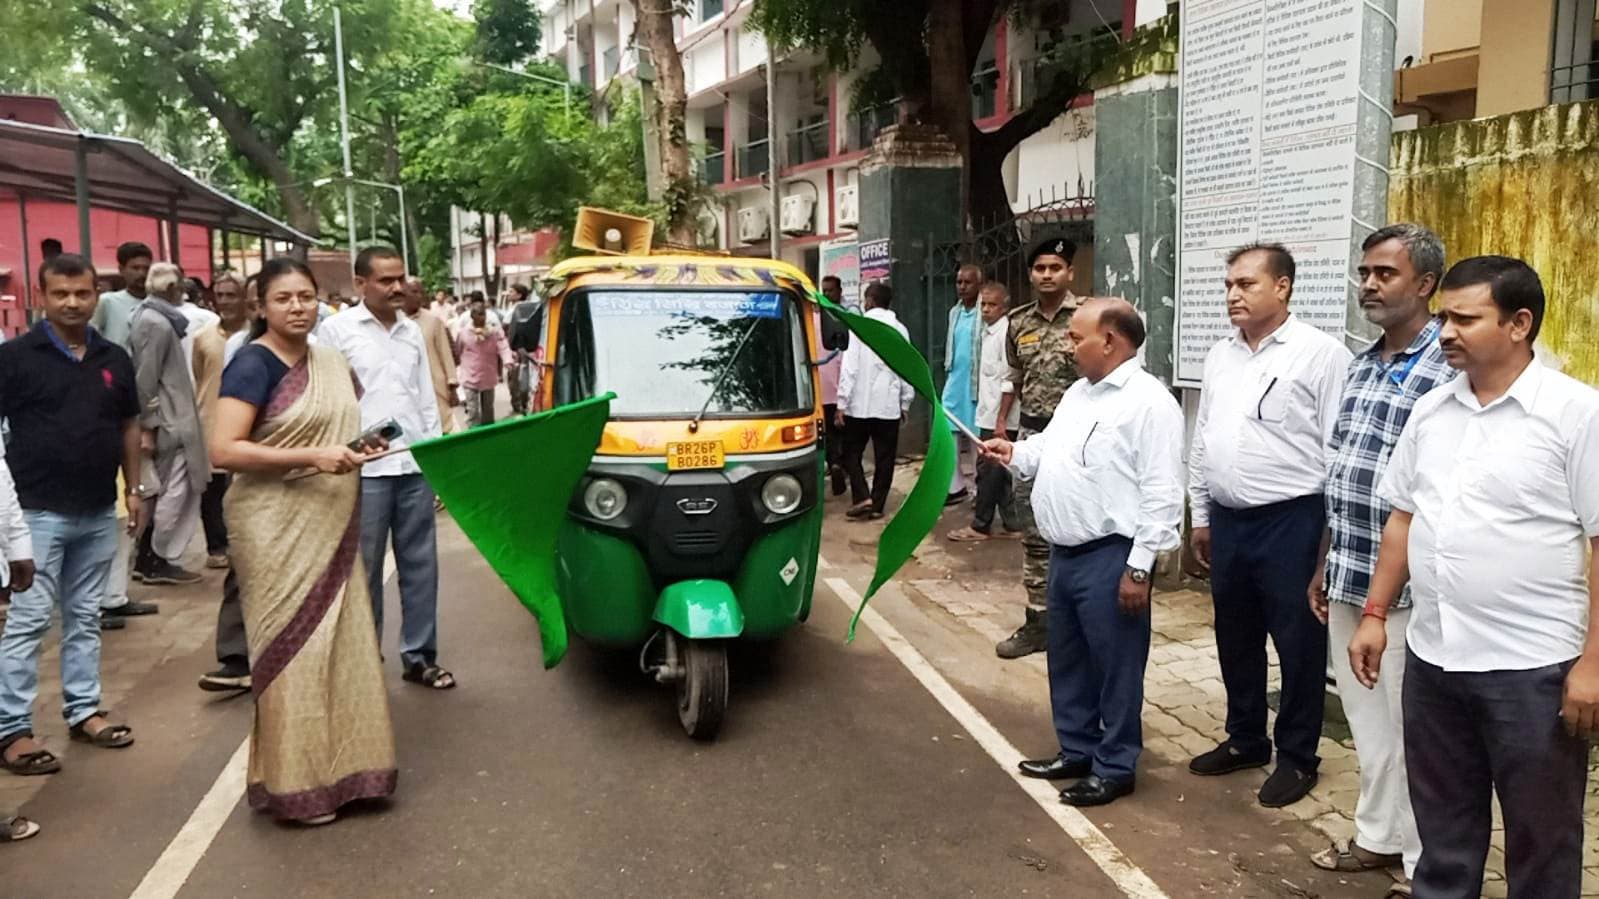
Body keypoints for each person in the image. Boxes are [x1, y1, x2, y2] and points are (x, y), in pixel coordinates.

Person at [1349, 256, 1599, 898]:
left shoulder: (1576, 414)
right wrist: (1375, 614)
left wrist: (1593, 664)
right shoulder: (1433, 410)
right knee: (1443, 835)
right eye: (1444, 318)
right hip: (1434, 659)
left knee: (1542, 840)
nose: (1446, 333)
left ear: (1519, 323)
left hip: (1532, 669)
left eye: (1465, 319)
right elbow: (1404, 516)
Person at [209, 257, 397, 826]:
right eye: (284, 298)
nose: (297, 307)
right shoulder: (252, 363)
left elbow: (336, 429)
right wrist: (313, 455)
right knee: (294, 650)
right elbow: (224, 450)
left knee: (343, 643)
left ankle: (352, 773)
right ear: (261, 306)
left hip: (330, 518)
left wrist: (354, 450)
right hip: (272, 527)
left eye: (306, 297)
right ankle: (298, 785)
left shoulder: (330, 360)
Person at [988, 298, 1183, 807]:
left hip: (1111, 555)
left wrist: (1139, 568)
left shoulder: (1150, 403)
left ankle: (1115, 766)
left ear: (1111, 341)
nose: (1068, 347)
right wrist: (1014, 452)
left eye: (1076, 338)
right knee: (1068, 658)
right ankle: (1077, 749)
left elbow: (1162, 492)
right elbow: (1049, 449)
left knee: (1116, 665)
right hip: (1066, 553)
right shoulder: (1079, 393)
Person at [1308, 224, 1453, 883]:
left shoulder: (1446, 368)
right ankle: (1378, 836)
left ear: (1424, 284)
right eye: (1364, 272)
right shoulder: (1361, 364)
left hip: (1408, 586)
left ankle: (1427, 867)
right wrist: (1325, 560)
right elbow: (1341, 471)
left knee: (1414, 729)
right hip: (1349, 569)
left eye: (1384, 273)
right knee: (1368, 723)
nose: (1367, 284)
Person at [1187, 243, 1352, 809]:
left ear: (1282, 287)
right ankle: (1246, 738)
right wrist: (1202, 515)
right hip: (1229, 521)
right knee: (1235, 634)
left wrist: (1329, 543)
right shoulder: (1221, 355)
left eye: (1246, 284)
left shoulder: (1321, 355)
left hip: (1293, 521)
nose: (1233, 295)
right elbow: (1204, 437)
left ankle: (1298, 756)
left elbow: (1337, 452)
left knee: (1298, 641)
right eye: (1229, 285)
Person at [0, 253, 146, 776]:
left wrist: (134, 489)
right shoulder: (15, 357)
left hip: (98, 509)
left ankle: (84, 710)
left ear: (95, 296)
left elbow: (129, 424)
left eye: (82, 293)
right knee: (29, 622)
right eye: (60, 294)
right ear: (41, 296)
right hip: (34, 513)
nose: (72, 303)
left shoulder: (113, 357)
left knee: (85, 617)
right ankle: (12, 729)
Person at [318, 247, 454, 690]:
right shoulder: (336, 331)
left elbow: (424, 397)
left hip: (413, 465)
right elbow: (327, 398)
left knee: (421, 566)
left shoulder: (411, 330)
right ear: (360, 284)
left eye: (400, 278)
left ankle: (420, 657)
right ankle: (365, 663)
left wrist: (433, 455)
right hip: (365, 470)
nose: (397, 287)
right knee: (364, 571)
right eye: (385, 280)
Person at [992, 239, 1081, 659]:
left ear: (1070, 273)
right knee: (1033, 531)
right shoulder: (1016, 323)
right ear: (1030, 274)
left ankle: (1075, 620)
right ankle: (1039, 622)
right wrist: (1002, 421)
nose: (1047, 274)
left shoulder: (1088, 318)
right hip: (1031, 434)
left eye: (1056, 267)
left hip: (1078, 440)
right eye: (1040, 268)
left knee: (1077, 528)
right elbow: (1014, 375)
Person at [129, 263, 208, 586]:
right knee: (171, 493)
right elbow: (144, 380)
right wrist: (148, 427)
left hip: (174, 417)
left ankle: (154, 557)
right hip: (170, 422)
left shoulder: (159, 319)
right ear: (172, 289)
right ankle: (153, 557)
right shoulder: (155, 323)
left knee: (175, 490)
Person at [948, 282, 1021, 542]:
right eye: (984, 305)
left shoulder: (1004, 335)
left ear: (1004, 307)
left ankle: (980, 525)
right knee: (999, 472)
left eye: (992, 305)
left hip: (999, 418)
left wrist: (1001, 421)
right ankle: (1013, 524)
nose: (986, 309)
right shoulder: (987, 333)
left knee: (987, 471)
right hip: (988, 412)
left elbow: (1010, 381)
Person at [835, 282, 914, 521]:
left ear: (869, 300)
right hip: (888, 407)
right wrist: (905, 402)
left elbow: (849, 368)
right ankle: (877, 505)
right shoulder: (900, 330)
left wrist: (842, 402)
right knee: (885, 458)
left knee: (850, 453)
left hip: (858, 407)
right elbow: (907, 367)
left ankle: (862, 496)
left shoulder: (859, 328)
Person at [193, 273, 249, 570]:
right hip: (211, 419)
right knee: (212, 487)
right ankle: (216, 547)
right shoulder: (203, 337)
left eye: (231, 295)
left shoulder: (256, 337)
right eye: (220, 295)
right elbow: (199, 375)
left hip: (246, 423)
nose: (225, 301)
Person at [941, 264, 984, 505]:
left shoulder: (984, 312)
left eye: (968, 282)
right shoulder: (954, 312)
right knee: (949, 432)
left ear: (979, 285)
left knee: (977, 438)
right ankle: (955, 487)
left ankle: (979, 490)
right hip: (955, 381)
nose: (962, 287)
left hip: (977, 383)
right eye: (959, 282)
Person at [403, 279, 460, 434]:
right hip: (407, 389)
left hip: (436, 388)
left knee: (444, 429)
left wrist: (452, 386)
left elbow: (445, 355)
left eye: (421, 292)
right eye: (414, 292)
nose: (419, 296)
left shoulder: (433, 321)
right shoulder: (394, 322)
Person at [454, 295, 512, 428]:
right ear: (472, 316)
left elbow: (503, 346)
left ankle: (488, 432)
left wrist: (508, 360)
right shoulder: (464, 333)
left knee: (488, 410)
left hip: (488, 375)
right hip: (469, 375)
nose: (482, 317)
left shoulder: (494, 332)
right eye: (479, 314)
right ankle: (473, 431)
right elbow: (458, 350)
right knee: (473, 409)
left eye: (484, 314)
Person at [817, 276, 849, 496]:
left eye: (830, 290)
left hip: (838, 388)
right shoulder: (817, 318)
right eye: (824, 291)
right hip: (825, 388)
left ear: (840, 291)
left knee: (834, 433)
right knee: (831, 432)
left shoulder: (845, 317)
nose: (826, 294)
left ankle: (836, 464)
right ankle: (837, 465)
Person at [90, 241, 152, 351]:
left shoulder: (158, 304)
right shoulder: (107, 302)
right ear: (121, 270)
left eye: (146, 268)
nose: (142, 274)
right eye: (135, 268)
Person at [504, 284, 535, 416]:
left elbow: (507, 328)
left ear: (519, 295)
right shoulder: (528, 308)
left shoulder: (517, 309)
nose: (509, 294)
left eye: (511, 291)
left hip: (515, 349)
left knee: (515, 378)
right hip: (522, 348)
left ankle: (519, 405)